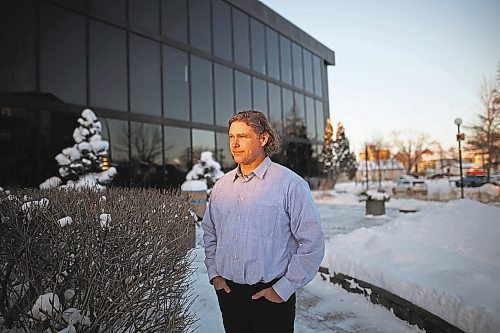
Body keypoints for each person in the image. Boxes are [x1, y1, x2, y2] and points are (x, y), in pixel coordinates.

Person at [202, 110, 325, 333]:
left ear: (263, 138)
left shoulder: (289, 184)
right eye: (231, 137)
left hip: (271, 298)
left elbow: (312, 244)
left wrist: (283, 289)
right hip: (229, 295)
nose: (235, 144)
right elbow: (210, 233)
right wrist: (215, 275)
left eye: (243, 136)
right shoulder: (222, 186)